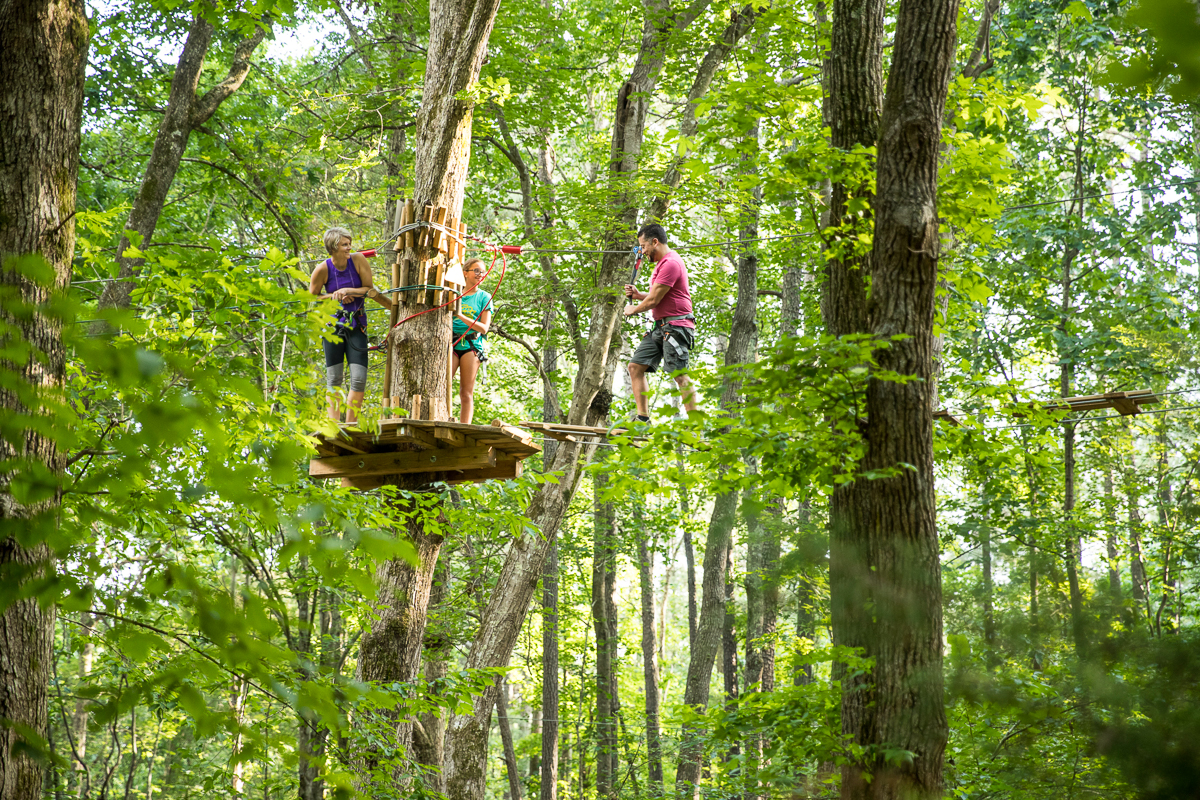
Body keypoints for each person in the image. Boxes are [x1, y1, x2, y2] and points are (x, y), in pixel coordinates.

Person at [623, 223, 697, 422]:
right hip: (661, 326)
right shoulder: (661, 265)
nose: (643, 251)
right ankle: (643, 420)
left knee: (679, 374)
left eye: (644, 246)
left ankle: (697, 426)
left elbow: (655, 300)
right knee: (635, 366)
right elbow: (660, 296)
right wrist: (639, 296)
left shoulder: (671, 263)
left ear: (655, 242)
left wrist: (633, 309)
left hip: (677, 327)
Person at [309, 227, 374, 423]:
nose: (349, 248)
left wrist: (348, 290)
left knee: (359, 378)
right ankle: (334, 424)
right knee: (334, 378)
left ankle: (351, 423)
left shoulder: (358, 260)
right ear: (333, 247)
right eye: (344, 245)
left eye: (349, 244)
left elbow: (368, 289)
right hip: (332, 327)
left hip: (357, 324)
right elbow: (312, 296)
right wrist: (334, 296)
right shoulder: (322, 269)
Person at [452, 257, 493, 424]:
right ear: (465, 273)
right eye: (476, 271)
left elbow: (484, 328)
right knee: (443, 385)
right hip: (451, 343)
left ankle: (465, 426)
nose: (480, 274)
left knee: (466, 392)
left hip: (471, 345)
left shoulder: (484, 297)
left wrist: (460, 315)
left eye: (482, 272)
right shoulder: (454, 293)